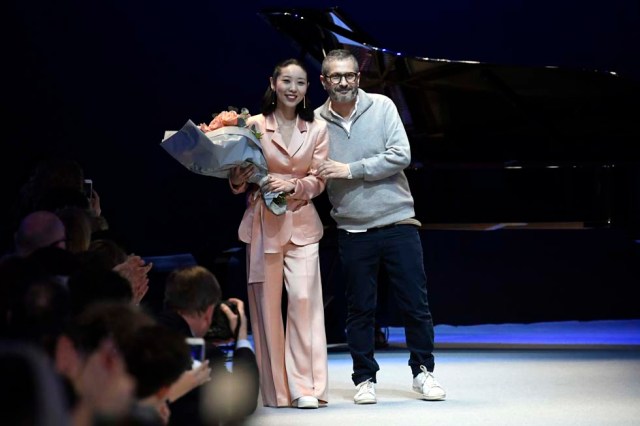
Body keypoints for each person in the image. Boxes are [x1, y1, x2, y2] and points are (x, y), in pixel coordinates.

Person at [315, 49, 447, 404]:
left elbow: (400, 154)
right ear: (324, 81)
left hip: (397, 220)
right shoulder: (314, 122)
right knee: (360, 307)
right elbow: (311, 170)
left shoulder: (383, 106)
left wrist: (349, 169)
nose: (344, 81)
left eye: (350, 75)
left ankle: (423, 372)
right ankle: (364, 378)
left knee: (415, 304)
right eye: (336, 76)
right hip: (352, 228)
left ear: (358, 77)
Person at [228, 58, 329, 409]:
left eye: (300, 83)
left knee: (303, 301)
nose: (292, 88)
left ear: (307, 89)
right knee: (266, 308)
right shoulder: (253, 125)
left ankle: (307, 388)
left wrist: (292, 185)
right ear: (273, 83)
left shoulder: (316, 128)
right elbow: (237, 181)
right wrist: (239, 175)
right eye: (286, 81)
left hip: (301, 222)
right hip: (262, 224)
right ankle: (276, 391)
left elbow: (319, 179)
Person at [156, 265, 259, 425]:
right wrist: (242, 337)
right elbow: (243, 402)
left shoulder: (141, 329)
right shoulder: (203, 353)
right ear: (209, 311)